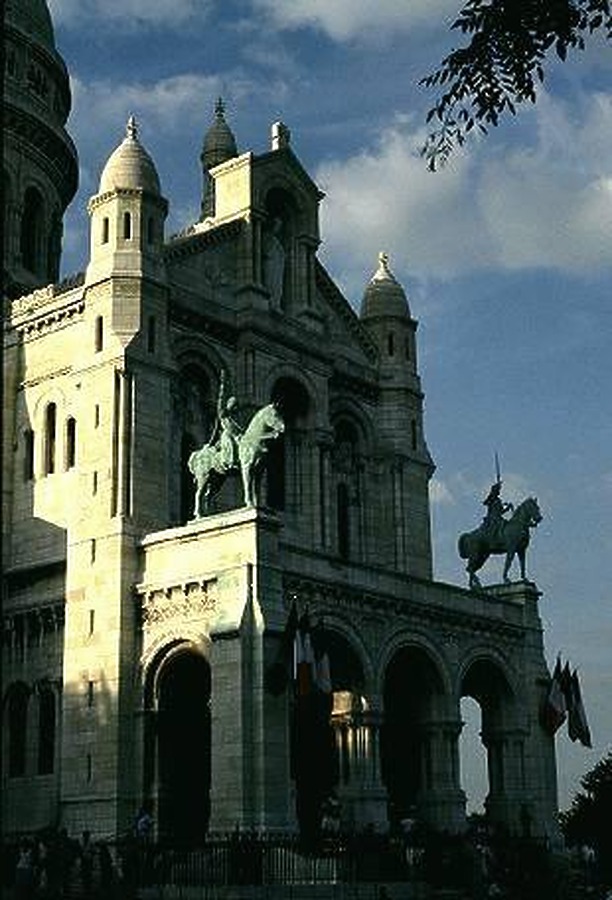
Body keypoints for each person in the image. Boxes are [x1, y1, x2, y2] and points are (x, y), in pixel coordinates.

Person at [215, 372, 243, 470]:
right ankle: (230, 462)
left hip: (236, 435)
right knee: (229, 441)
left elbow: (239, 428)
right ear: (228, 404)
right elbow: (220, 399)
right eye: (232, 404)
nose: (234, 406)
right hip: (227, 434)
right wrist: (222, 385)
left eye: (235, 405)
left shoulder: (235, 418)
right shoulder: (223, 413)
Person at [263, 218, 285, 308]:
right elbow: (265, 252)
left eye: (279, 226)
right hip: (270, 264)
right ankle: (271, 303)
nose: (278, 228)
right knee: (271, 284)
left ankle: (276, 304)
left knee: (277, 287)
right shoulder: (267, 237)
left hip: (278, 267)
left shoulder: (276, 241)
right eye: (277, 225)